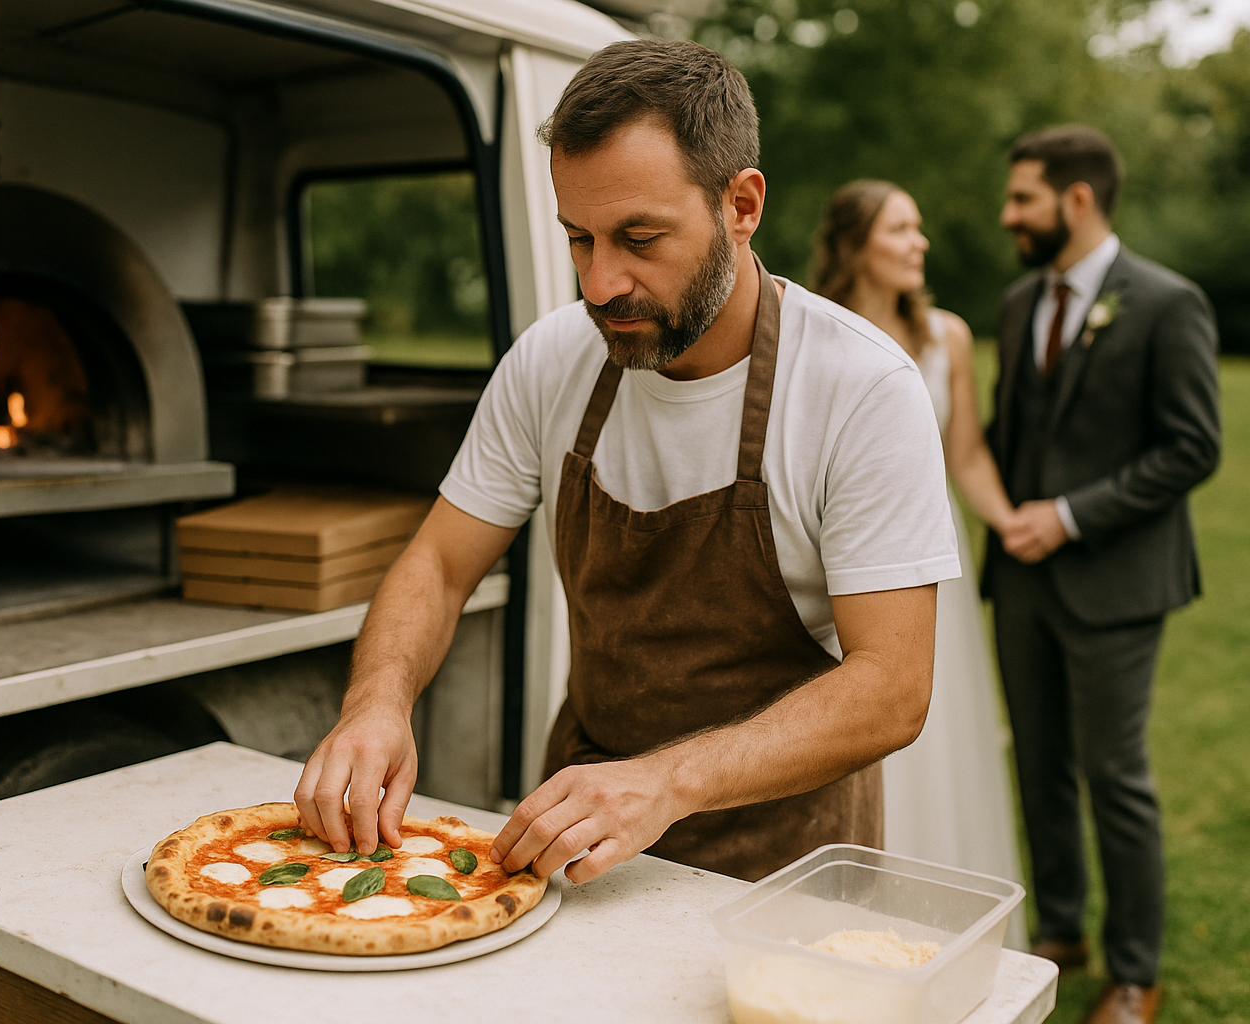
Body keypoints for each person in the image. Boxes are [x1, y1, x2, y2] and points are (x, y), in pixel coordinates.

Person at [292, 38, 962, 885]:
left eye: (640, 237)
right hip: (576, 837)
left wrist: (664, 782)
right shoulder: (551, 360)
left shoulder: (860, 387)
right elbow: (438, 561)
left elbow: (892, 687)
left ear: (742, 204)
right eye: (580, 239)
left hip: (784, 861)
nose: (601, 283)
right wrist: (376, 704)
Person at [988, 125, 1220, 1024]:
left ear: (1076, 199)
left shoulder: (1168, 303)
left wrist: (1073, 515)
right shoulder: (1016, 306)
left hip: (1117, 582)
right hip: (1019, 582)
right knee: (1039, 768)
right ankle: (1062, 931)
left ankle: (1134, 970)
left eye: (1023, 199)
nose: (1008, 215)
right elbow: (1012, 436)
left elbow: (1194, 445)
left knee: (1114, 775)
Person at [811, 181, 1027, 915]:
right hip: (849, 563)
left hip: (937, 569)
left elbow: (965, 453)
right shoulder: (818, 335)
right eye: (901, 229)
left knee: (941, 738)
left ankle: (943, 911)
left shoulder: (949, 337)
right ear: (853, 246)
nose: (919, 243)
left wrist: (1011, 522)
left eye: (918, 228)